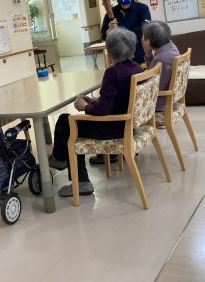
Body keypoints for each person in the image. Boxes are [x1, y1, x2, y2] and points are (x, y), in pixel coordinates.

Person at [48, 27, 143, 197]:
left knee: (66, 122)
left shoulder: (112, 73)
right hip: (127, 125)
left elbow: (102, 111)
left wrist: (84, 107)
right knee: (67, 121)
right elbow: (117, 100)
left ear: (110, 52)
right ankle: (60, 158)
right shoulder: (137, 69)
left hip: (112, 128)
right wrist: (92, 101)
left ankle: (76, 176)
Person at [91, 0, 151, 165]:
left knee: (132, 100)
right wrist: (109, 31)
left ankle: (128, 140)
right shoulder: (111, 13)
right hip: (117, 62)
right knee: (117, 99)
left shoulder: (142, 9)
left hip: (136, 60)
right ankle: (117, 144)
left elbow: (145, 29)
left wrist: (121, 31)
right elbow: (103, 35)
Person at [142, 20, 180, 116]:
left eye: (143, 37)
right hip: (170, 99)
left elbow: (153, 87)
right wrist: (148, 54)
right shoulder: (171, 46)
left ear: (148, 41)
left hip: (160, 105)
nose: (141, 39)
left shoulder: (161, 59)